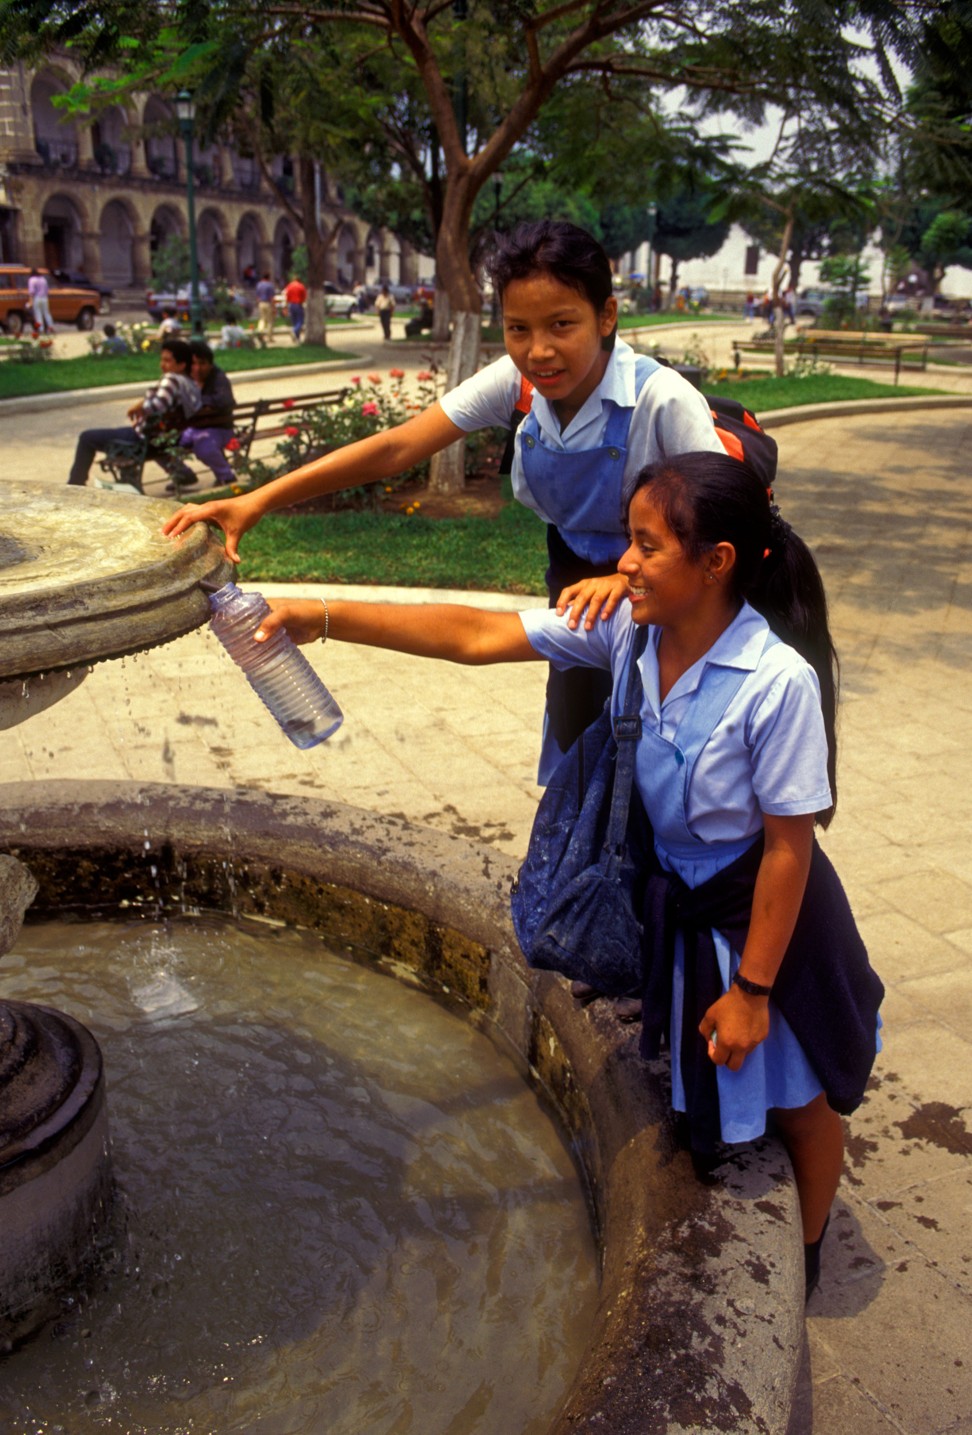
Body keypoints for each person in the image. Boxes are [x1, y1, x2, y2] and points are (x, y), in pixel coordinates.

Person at [246, 451, 883, 1300]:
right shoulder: (631, 631)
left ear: (717, 561)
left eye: (647, 545)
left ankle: (805, 1251)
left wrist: (754, 990)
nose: (623, 563)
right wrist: (321, 617)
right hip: (680, 902)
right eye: (627, 539)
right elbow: (477, 635)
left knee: (801, 1101)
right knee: (721, 1075)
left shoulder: (776, 683)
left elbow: (787, 851)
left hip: (763, 919)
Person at [163, 219, 724, 776]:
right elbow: (397, 447)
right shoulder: (518, 384)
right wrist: (258, 500)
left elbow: (727, 524)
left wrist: (629, 579)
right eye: (518, 329)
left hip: (670, 590)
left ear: (606, 316)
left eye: (562, 324)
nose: (539, 351)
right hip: (576, 587)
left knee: (665, 748)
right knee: (579, 742)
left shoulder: (661, 400)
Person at [67, 337, 201, 490]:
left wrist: (142, 405)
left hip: (145, 440)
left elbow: (156, 406)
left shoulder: (171, 380)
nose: (162, 364)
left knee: (87, 437)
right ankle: (182, 473)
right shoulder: (191, 383)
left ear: (182, 365)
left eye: (167, 360)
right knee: (152, 435)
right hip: (165, 439)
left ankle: (74, 486)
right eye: (162, 359)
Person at [163, 338, 236, 493]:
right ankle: (183, 475)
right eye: (193, 363)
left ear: (210, 364)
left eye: (202, 363)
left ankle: (226, 476)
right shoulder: (184, 378)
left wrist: (198, 400)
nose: (197, 368)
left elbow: (224, 401)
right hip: (192, 429)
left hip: (218, 428)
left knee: (203, 444)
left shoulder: (218, 379)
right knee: (161, 443)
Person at [27, 268, 54, 334]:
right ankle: (50, 327)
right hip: (44, 298)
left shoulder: (32, 280)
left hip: (37, 298)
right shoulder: (43, 279)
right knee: (46, 313)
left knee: (38, 314)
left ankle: (41, 329)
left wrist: (30, 302)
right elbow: (47, 290)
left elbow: (31, 292)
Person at [283, 274, 307, 342]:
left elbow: (287, 296)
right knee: (300, 321)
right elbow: (304, 296)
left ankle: (297, 337)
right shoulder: (301, 286)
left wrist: (286, 306)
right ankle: (294, 331)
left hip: (291, 305)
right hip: (298, 304)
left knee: (294, 321)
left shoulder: (289, 286)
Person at [255, 272, 276, 340]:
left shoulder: (259, 285)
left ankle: (260, 332)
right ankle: (269, 337)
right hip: (268, 303)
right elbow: (271, 297)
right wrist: (274, 307)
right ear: (268, 278)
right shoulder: (270, 285)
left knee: (262, 319)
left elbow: (257, 296)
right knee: (270, 321)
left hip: (261, 303)